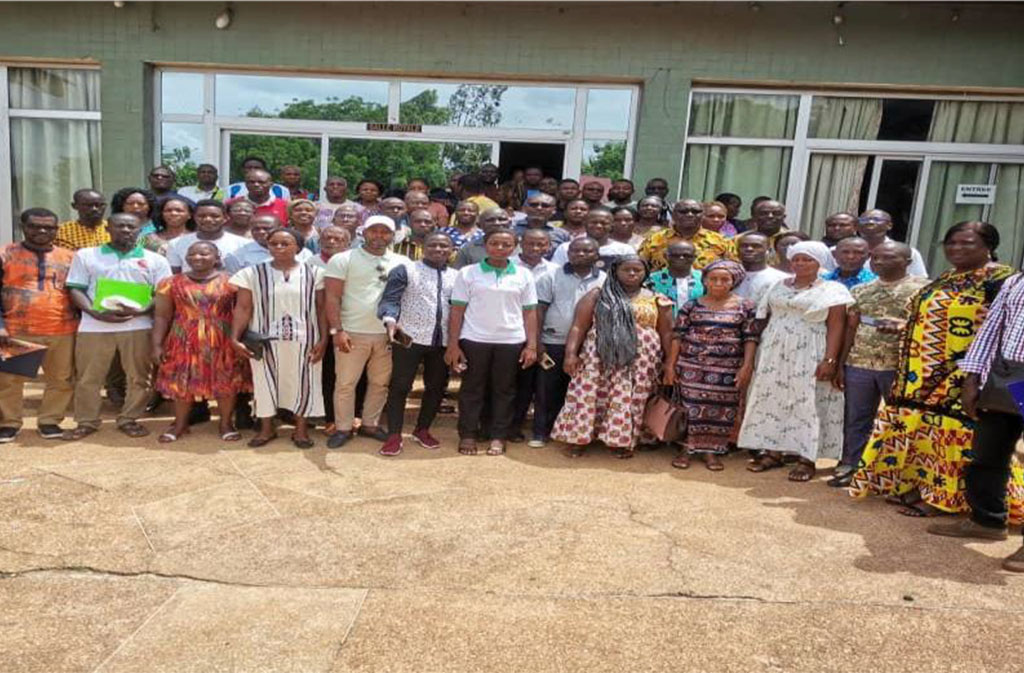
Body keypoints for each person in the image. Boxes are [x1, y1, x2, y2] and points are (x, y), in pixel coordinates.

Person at [850, 221, 1024, 518]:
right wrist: (905, 327)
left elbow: (1000, 329)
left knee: (961, 435)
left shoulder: (1000, 279)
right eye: (951, 242)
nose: (956, 248)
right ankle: (921, 487)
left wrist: (978, 374)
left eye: (967, 243)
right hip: (920, 372)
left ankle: (950, 498)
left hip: (966, 373)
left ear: (988, 247)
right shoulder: (946, 278)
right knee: (924, 431)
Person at [929, 271, 1024, 571]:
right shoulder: (1015, 282)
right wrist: (972, 379)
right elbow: (990, 331)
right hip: (1007, 378)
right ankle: (988, 520)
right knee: (987, 453)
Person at [740, 241, 853, 481]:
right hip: (774, 350)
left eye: (807, 259)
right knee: (773, 398)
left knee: (807, 403)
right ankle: (773, 451)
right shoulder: (777, 285)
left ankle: (807, 458)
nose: (800, 263)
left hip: (811, 350)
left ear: (819, 262)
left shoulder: (832, 289)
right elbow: (764, 317)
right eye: (797, 259)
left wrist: (830, 360)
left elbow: (837, 325)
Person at [62, 213, 172, 440]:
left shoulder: (156, 260)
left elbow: (162, 293)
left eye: (131, 226)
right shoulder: (86, 255)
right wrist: (93, 312)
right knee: (88, 377)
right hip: (94, 326)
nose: (126, 230)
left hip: (138, 326)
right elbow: (75, 288)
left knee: (139, 377)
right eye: (119, 226)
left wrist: (142, 310)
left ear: (139, 230)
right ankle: (87, 421)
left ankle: (129, 418)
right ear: (108, 229)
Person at [828, 241, 928, 488]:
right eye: (876, 257)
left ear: (907, 262)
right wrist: (841, 363)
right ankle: (852, 464)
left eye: (888, 257)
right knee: (857, 417)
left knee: (900, 418)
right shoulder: (862, 290)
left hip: (901, 365)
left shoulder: (923, 290)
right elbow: (851, 328)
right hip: (860, 361)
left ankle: (896, 471)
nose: (880, 262)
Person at [551, 255, 672, 458]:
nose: (632, 274)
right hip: (598, 357)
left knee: (630, 397)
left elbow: (667, 332)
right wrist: (571, 354)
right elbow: (578, 326)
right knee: (588, 395)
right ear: (615, 271)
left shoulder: (657, 298)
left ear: (645, 273)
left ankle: (620, 441)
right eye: (627, 269)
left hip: (639, 361)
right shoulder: (597, 295)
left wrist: (669, 362)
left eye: (637, 270)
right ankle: (579, 438)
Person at [230, 228, 326, 448]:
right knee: (264, 381)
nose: (279, 248)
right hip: (263, 340)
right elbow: (243, 307)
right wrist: (235, 338)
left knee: (305, 381)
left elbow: (321, 309)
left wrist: (323, 340)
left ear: (298, 247)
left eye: (286, 243)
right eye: (274, 243)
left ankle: (300, 431)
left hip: (305, 339)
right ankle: (266, 429)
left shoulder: (315, 273)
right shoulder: (251, 273)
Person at [446, 227, 538, 456]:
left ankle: (498, 435)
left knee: (504, 390)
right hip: (475, 338)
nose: (500, 248)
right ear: (485, 245)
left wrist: (532, 345)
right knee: (472, 389)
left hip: (511, 340)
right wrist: (453, 344)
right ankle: (468, 434)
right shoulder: (468, 273)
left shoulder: (523, 275)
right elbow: (457, 311)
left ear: (514, 247)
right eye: (495, 243)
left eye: (506, 245)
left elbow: (529, 312)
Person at [664, 260, 760, 470]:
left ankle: (712, 451)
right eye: (713, 279)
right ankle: (686, 449)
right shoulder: (691, 305)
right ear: (704, 281)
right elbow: (677, 336)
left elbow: (751, 338)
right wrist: (671, 365)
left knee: (720, 409)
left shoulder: (746, 306)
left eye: (724, 279)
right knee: (689, 408)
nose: (718, 283)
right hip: (691, 367)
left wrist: (746, 366)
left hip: (727, 368)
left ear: (733, 281)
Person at [152, 241, 249, 443]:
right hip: (183, 339)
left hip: (221, 339)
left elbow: (243, 311)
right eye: (193, 254)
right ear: (186, 257)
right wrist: (157, 344)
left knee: (226, 380)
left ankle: (225, 423)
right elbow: (162, 316)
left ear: (216, 257)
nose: (198, 258)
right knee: (182, 382)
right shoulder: (170, 283)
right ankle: (180, 424)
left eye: (204, 254)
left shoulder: (232, 282)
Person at [324, 215, 407, 448]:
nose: (379, 236)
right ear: (364, 232)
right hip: (351, 331)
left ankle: (370, 424)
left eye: (385, 232)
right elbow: (332, 297)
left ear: (393, 235)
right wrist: (337, 330)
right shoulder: (343, 259)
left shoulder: (402, 261)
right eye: (374, 231)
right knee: (346, 383)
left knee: (380, 383)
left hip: (386, 335)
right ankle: (343, 427)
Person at [376, 232, 457, 456]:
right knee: (400, 386)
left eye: (444, 246)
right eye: (433, 245)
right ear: (423, 246)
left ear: (451, 250)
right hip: (409, 338)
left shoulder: (458, 276)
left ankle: (422, 429)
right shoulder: (406, 270)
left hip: (442, 341)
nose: (438, 249)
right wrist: (390, 319)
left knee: (436, 387)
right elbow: (390, 299)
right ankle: (394, 434)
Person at [0, 209, 77, 441]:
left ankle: (50, 421)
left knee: (61, 379)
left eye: (49, 227)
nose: (42, 231)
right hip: (17, 328)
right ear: (23, 227)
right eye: (35, 226)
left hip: (62, 329)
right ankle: (9, 422)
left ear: (57, 230)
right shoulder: (6, 254)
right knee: (10, 380)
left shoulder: (69, 257)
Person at [532, 237, 605, 448]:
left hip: (589, 346)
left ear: (597, 255)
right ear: (568, 253)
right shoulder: (550, 276)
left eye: (587, 251)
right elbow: (539, 310)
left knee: (580, 391)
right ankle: (541, 432)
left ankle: (571, 432)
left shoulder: (605, 279)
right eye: (575, 251)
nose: (580, 255)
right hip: (552, 341)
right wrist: (537, 342)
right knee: (547, 389)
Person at [509, 229, 558, 441]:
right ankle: (512, 427)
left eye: (542, 244)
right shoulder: (507, 264)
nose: (536, 248)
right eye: (531, 243)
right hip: (512, 333)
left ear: (549, 246)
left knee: (541, 386)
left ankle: (543, 429)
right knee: (518, 385)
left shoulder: (555, 270)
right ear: (521, 243)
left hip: (545, 336)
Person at [639, 198, 735, 271]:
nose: (689, 215)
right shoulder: (655, 239)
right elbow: (640, 267)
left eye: (695, 212)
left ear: (702, 215)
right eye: (683, 211)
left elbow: (734, 269)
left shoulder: (721, 241)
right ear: (673, 215)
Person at [166, 200, 248, 274]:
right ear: (194, 218)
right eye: (202, 216)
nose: (208, 219)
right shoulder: (176, 244)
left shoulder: (243, 245)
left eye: (215, 216)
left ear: (225, 218)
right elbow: (174, 276)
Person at [224, 214, 313, 273]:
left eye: (267, 228)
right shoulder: (237, 255)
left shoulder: (303, 253)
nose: (261, 232)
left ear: (280, 227)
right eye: (256, 229)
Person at [551, 207, 634, 267]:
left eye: (604, 223)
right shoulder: (565, 248)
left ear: (612, 225)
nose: (598, 226)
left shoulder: (624, 250)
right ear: (584, 224)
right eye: (594, 222)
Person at [857, 209, 928, 277]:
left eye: (877, 219)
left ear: (889, 225)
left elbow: (920, 280)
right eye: (864, 220)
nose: (870, 222)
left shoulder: (907, 252)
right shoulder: (848, 250)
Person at [644, 240, 703, 316]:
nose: (681, 258)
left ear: (695, 257)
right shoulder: (652, 280)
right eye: (675, 255)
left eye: (687, 255)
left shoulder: (704, 279)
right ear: (665, 256)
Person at [734, 232, 790, 306]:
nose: (749, 249)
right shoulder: (726, 276)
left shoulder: (781, 279)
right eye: (744, 246)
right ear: (737, 249)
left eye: (756, 246)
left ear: (769, 250)